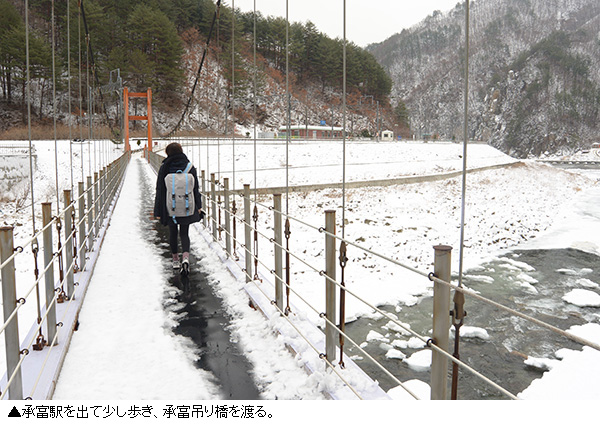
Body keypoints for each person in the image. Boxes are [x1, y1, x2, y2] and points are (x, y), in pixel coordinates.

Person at [154, 142, 203, 274]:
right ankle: (185, 258)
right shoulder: (190, 167)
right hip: (187, 206)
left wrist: (158, 211)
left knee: (173, 233)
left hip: (170, 207)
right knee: (184, 233)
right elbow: (195, 190)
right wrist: (199, 207)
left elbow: (160, 190)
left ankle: (175, 260)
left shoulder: (165, 167)